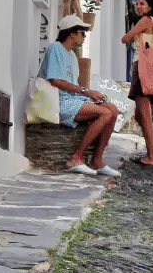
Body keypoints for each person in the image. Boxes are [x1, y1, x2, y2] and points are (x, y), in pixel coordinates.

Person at [39, 14, 122, 177]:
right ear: (71, 33)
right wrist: (86, 91)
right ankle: (76, 157)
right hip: (58, 101)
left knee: (112, 109)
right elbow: (56, 81)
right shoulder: (55, 48)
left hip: (72, 100)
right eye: (82, 33)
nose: (84, 36)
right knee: (105, 113)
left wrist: (91, 95)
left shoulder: (71, 56)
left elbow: (73, 85)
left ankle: (97, 160)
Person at [120, 0, 153, 167]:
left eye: (142, 3)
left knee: (144, 115)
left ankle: (152, 156)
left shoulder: (145, 21)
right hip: (149, 68)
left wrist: (131, 34)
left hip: (141, 68)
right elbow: (151, 45)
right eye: (136, 4)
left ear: (150, 6)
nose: (138, 6)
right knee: (142, 114)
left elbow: (126, 38)